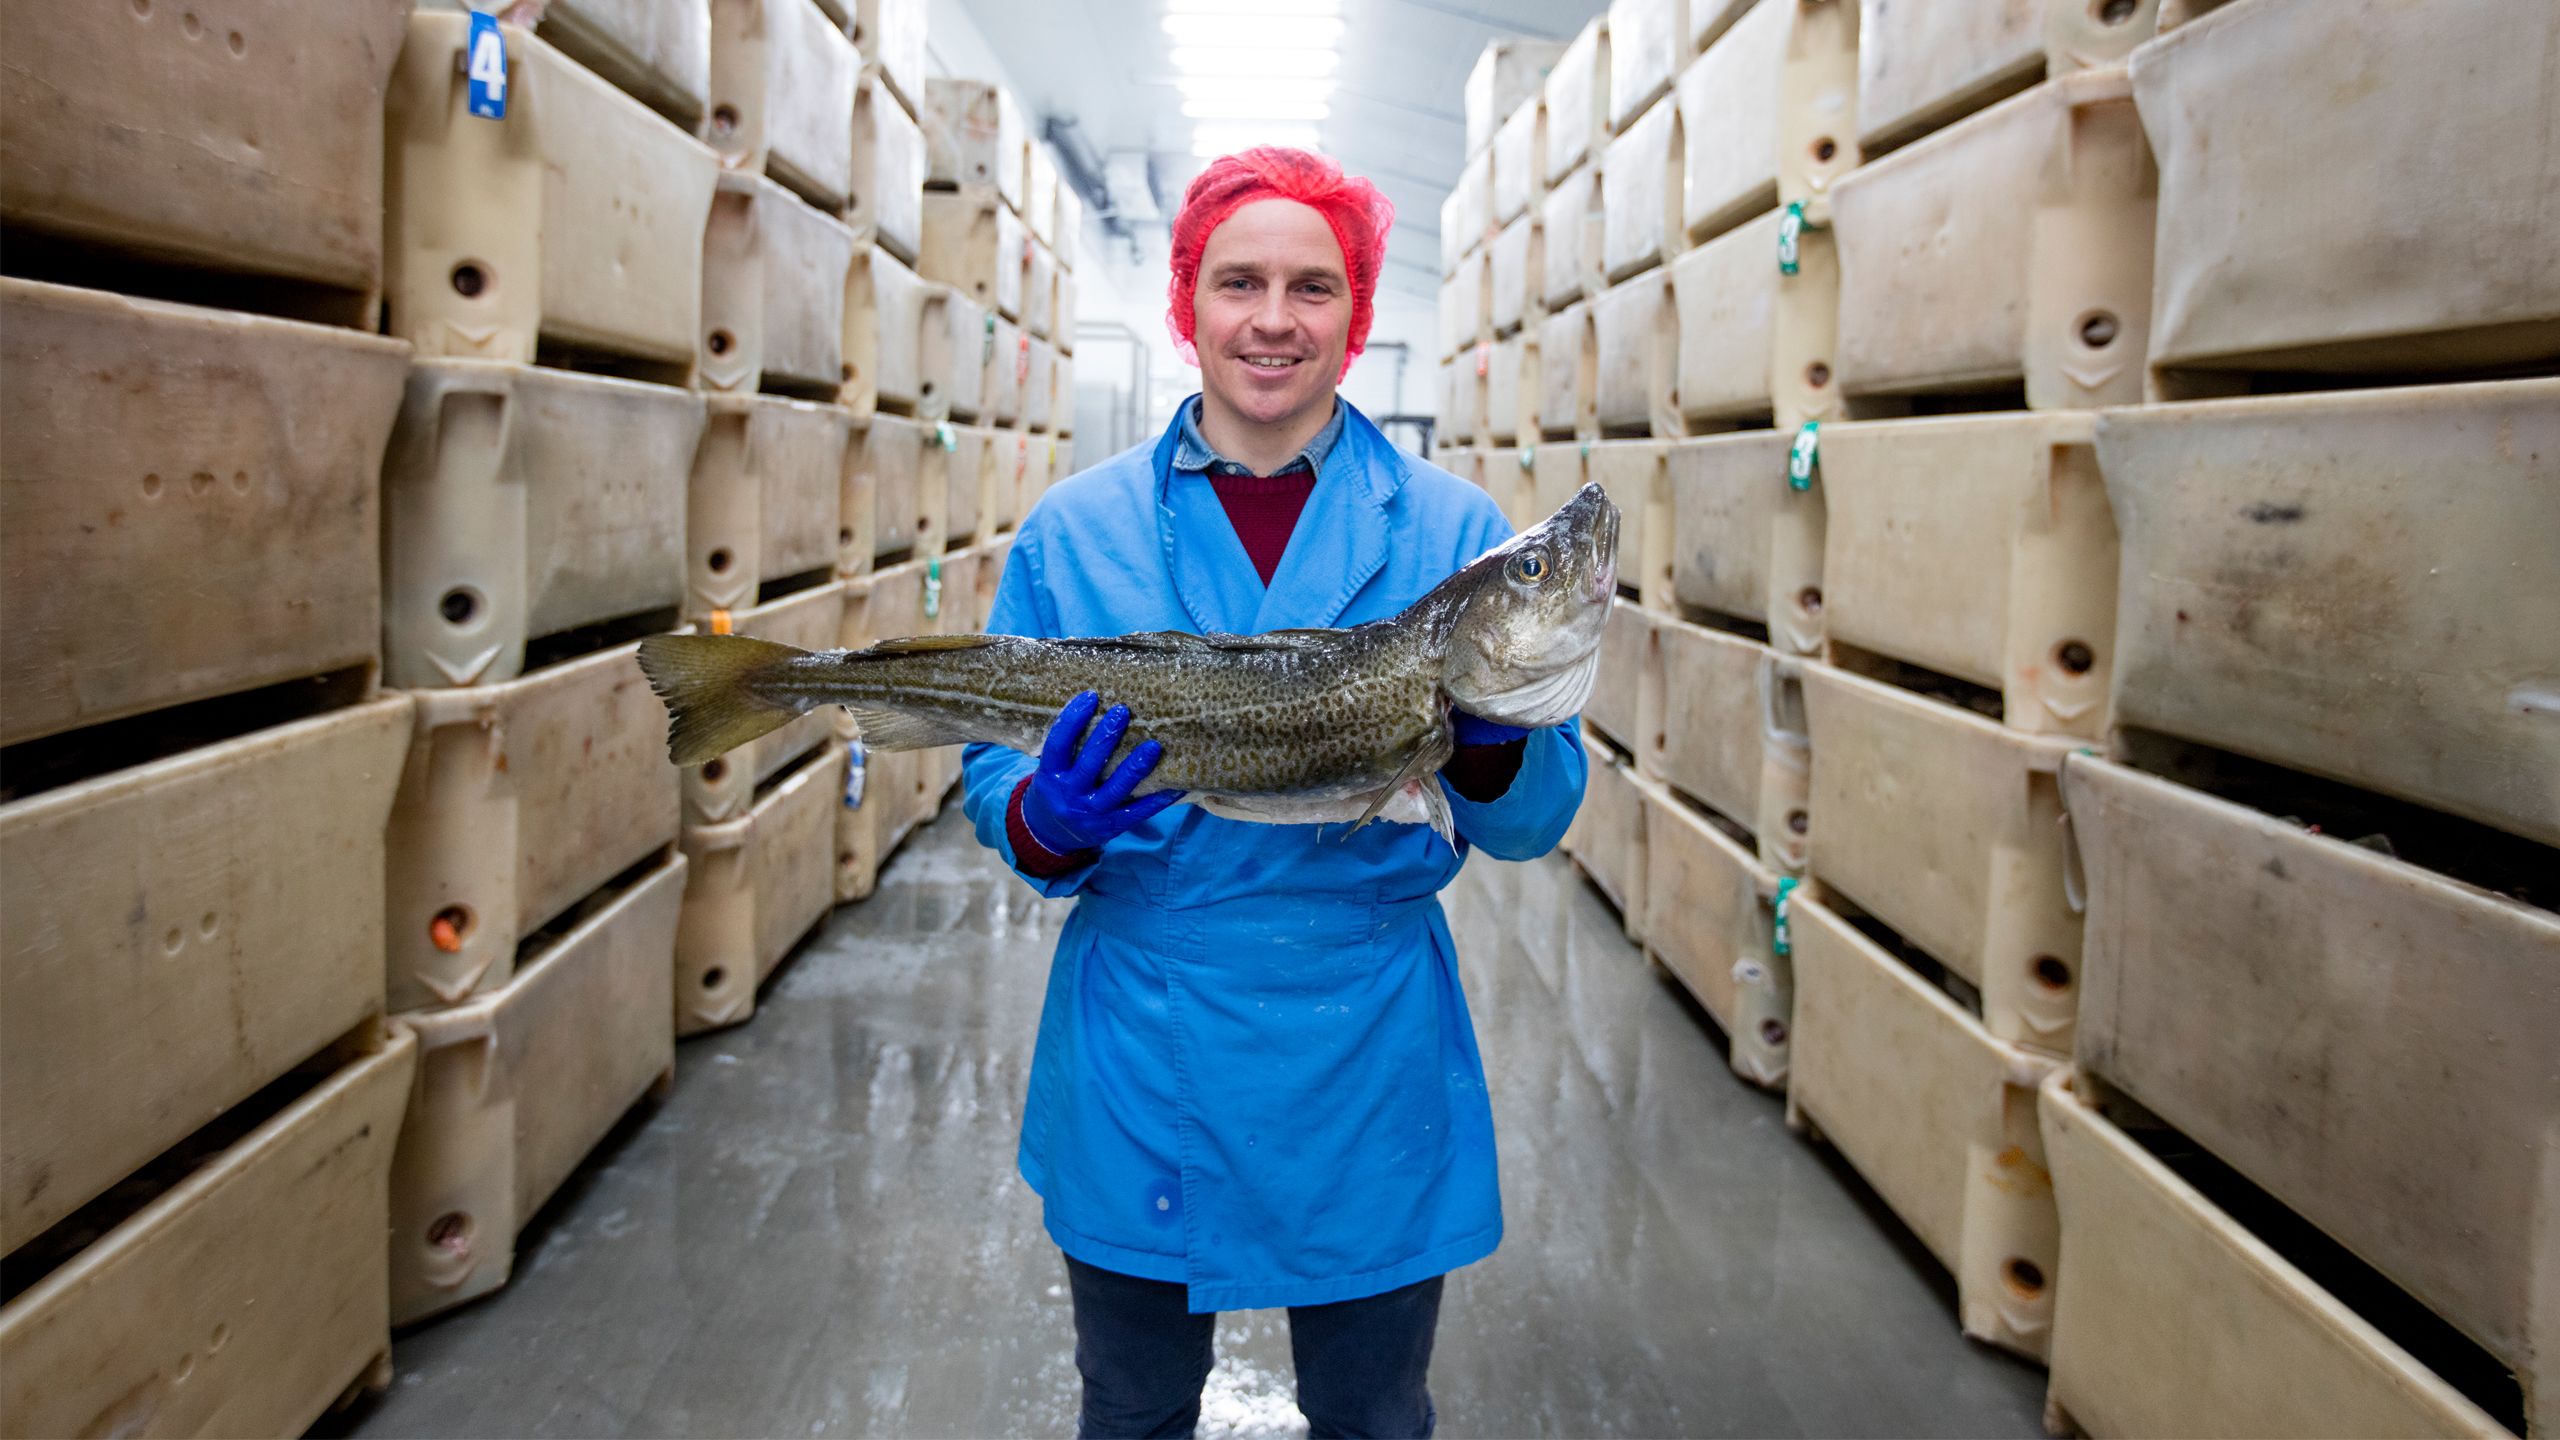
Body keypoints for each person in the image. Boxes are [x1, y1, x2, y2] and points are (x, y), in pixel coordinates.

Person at [959, 147, 1587, 1440]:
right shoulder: (1074, 533)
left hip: (1363, 1040)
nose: (1274, 319)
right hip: (1147, 1024)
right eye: (1240, 282)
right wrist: (1047, 819)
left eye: (1314, 286)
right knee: (1130, 1407)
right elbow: (994, 776)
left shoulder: (1454, 530)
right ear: (1188, 303)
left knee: (1372, 1412)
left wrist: (1479, 750)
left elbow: (1535, 818)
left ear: (1356, 317)